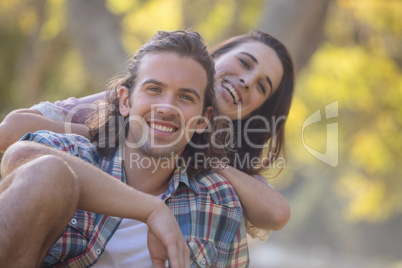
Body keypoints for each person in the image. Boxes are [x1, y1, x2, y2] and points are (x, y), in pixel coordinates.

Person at [0, 30, 293, 240]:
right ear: (215, 57)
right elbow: (10, 133)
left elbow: (276, 213)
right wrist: (121, 130)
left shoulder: (230, 165)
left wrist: (198, 152)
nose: (246, 80)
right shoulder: (136, 98)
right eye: (244, 63)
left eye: (261, 87)